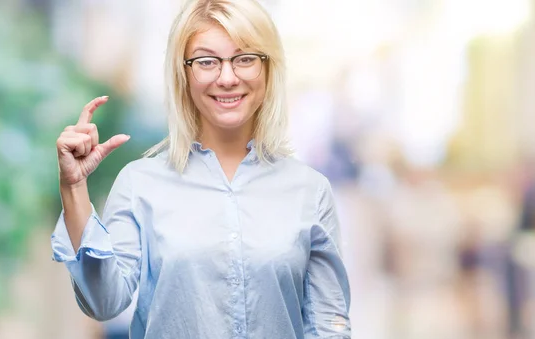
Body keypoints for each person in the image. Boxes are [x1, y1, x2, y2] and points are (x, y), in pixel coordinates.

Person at [50, 0, 352, 338]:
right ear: (184, 73)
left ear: (268, 68)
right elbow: (104, 303)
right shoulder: (140, 185)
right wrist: (73, 188)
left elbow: (329, 325)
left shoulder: (310, 190)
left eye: (245, 59)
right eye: (207, 61)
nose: (227, 77)